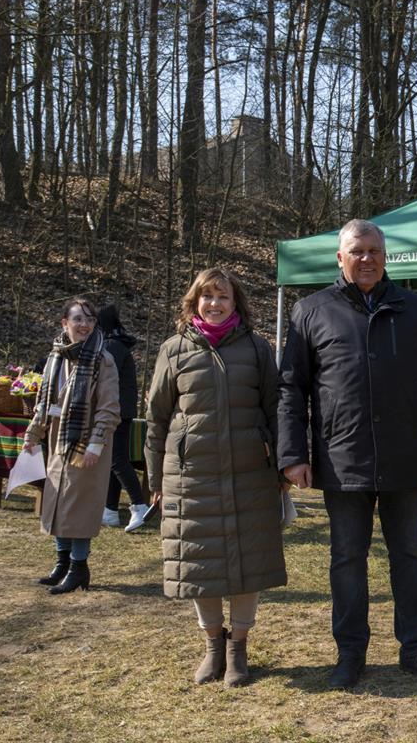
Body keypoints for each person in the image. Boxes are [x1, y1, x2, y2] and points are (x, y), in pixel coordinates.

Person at [278, 218, 417, 690]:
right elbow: (291, 390)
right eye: (357, 251)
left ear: (385, 256)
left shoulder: (415, 310)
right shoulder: (311, 311)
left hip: (405, 457)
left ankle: (415, 648)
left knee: (410, 557)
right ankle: (350, 652)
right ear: (340, 257)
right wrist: (293, 453)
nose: (366, 259)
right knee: (346, 559)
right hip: (342, 458)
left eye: (374, 251)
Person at [145, 267, 288, 688]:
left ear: (235, 302)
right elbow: (156, 418)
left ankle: (238, 647)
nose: (215, 303)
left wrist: (282, 465)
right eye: (207, 296)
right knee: (199, 562)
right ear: (195, 302)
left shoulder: (257, 349)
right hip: (192, 475)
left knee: (249, 561)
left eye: (223, 296)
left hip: (250, 472)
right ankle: (213, 646)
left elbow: (276, 409)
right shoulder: (173, 350)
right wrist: (155, 479)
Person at [24, 298, 121, 595]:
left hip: (87, 445)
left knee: (79, 506)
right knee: (57, 503)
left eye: (90, 320)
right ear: (64, 323)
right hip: (58, 441)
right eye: (78, 319)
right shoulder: (56, 357)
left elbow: (109, 408)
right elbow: (44, 403)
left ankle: (79, 568)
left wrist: (96, 444)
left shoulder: (103, 360)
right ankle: (62, 563)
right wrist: (33, 433)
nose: (84, 325)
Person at [97, 303, 148, 532]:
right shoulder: (116, 343)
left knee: (117, 459)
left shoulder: (111, 346)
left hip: (116, 410)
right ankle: (109, 510)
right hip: (121, 409)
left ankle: (139, 505)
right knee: (112, 460)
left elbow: (102, 376)